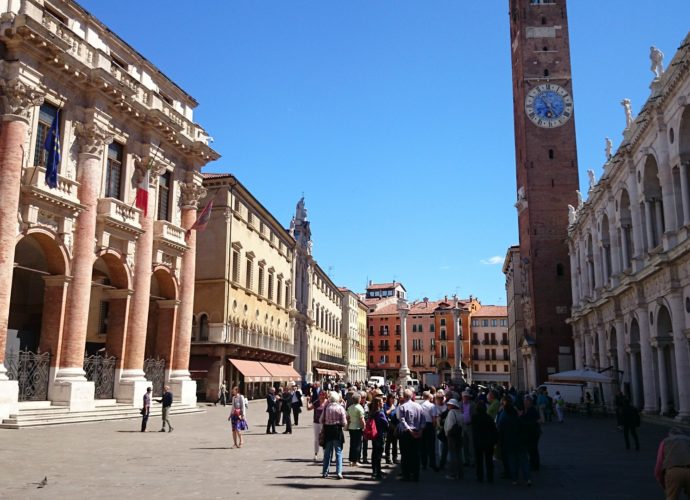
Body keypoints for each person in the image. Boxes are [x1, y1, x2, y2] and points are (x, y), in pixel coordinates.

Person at [498, 396, 531, 486]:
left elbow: (501, 432)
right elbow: (525, 428)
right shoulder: (517, 419)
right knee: (524, 461)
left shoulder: (503, 419)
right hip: (520, 442)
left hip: (510, 443)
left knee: (512, 461)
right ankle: (527, 479)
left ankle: (515, 479)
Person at [397, 388, 426, 482]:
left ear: (404, 397)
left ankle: (406, 475)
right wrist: (421, 430)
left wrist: (409, 430)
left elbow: (402, 421)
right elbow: (423, 420)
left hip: (407, 434)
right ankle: (416, 474)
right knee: (416, 454)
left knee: (405, 455)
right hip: (417, 432)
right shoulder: (418, 406)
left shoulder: (402, 407)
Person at [654, 427, 690, 499]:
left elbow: (660, 461)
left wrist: (659, 477)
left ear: (670, 434)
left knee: (672, 497)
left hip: (673, 470)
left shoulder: (666, 441)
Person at [320, 391, 347, 479]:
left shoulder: (326, 407)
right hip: (337, 430)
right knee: (338, 452)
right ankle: (339, 472)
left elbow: (321, 420)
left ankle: (325, 471)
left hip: (328, 430)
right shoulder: (340, 408)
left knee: (327, 452)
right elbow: (344, 422)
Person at [473, 401, 498, 483]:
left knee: (479, 460)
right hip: (488, 442)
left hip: (478, 442)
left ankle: (479, 476)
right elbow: (494, 430)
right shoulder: (489, 418)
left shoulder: (475, 418)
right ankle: (490, 476)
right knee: (489, 460)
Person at [368, 396, 389, 480]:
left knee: (374, 454)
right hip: (379, 435)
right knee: (379, 455)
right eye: (381, 402)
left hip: (373, 435)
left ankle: (374, 471)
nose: (383, 403)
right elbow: (386, 424)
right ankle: (378, 473)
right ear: (378, 403)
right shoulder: (380, 413)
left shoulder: (372, 412)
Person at [443, 398, 464, 480]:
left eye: (449, 404)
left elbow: (449, 426)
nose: (448, 405)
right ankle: (460, 473)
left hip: (452, 436)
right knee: (459, 455)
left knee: (453, 455)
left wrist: (447, 433)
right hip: (459, 436)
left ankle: (453, 473)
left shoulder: (451, 412)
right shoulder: (460, 412)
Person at [521, 395, 541, 471]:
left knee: (533, 450)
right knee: (531, 450)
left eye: (526, 402)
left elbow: (533, 422)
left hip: (533, 433)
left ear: (530, 402)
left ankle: (535, 465)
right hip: (530, 433)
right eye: (524, 402)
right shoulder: (528, 410)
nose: (524, 403)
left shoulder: (532, 411)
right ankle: (533, 463)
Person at [347, 391, 366, 467]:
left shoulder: (350, 407)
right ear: (359, 399)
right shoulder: (360, 407)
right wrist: (364, 426)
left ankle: (351, 460)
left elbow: (347, 417)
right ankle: (356, 460)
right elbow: (362, 419)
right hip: (358, 427)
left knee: (352, 444)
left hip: (351, 427)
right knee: (358, 444)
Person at [308, 390, 328, 461]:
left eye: (323, 395)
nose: (321, 396)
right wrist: (308, 401)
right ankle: (316, 454)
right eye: (320, 394)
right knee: (316, 439)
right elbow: (309, 408)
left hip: (324, 423)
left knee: (324, 438)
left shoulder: (327, 402)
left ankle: (325, 454)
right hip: (316, 422)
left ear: (325, 395)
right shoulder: (316, 402)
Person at [419, 391, 437, 471]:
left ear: (423, 397)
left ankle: (424, 464)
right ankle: (432, 463)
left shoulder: (420, 406)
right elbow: (434, 419)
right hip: (429, 425)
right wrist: (434, 426)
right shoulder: (432, 406)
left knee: (422, 445)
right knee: (431, 445)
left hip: (422, 425)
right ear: (429, 397)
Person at [459, 389, 475, 466]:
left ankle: (472, 461)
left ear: (468, 397)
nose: (465, 398)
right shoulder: (459, 404)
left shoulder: (472, 404)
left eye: (466, 397)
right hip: (462, 426)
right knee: (464, 444)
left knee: (471, 444)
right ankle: (466, 460)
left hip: (470, 425)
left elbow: (474, 415)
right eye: (463, 397)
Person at [384, 393, 399, 465]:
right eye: (392, 398)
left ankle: (395, 458)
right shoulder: (385, 406)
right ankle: (387, 458)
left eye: (394, 398)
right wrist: (391, 409)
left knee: (395, 443)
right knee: (388, 443)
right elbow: (385, 414)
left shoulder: (395, 406)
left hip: (394, 427)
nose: (393, 400)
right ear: (389, 398)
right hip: (388, 427)